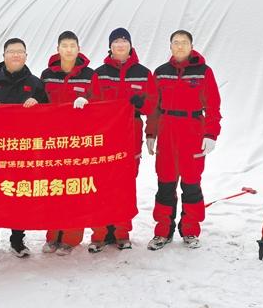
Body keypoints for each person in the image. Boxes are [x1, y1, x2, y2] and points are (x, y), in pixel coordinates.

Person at [0, 37, 48, 264]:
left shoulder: (35, 83)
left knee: (19, 193)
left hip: (23, 150)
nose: (16, 55)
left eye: (20, 51)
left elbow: (51, 116)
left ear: (26, 56)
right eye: (11, 51)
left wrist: (38, 104)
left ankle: (17, 240)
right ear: (3, 55)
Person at [145, 30, 222, 250]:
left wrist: (210, 134)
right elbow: (153, 107)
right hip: (167, 132)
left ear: (191, 46)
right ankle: (162, 232)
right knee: (165, 184)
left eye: (184, 43)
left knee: (191, 184)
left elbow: (213, 106)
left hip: (192, 133)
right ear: (170, 46)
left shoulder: (203, 72)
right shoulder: (161, 73)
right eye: (176, 43)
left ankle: (190, 230)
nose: (179, 46)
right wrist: (151, 133)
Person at [89, 27, 156, 252]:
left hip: (131, 134)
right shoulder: (99, 74)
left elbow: (152, 105)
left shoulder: (143, 73)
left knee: (125, 184)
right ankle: (99, 233)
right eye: (116, 41)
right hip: (105, 136)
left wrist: (148, 128)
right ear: (110, 46)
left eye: (124, 41)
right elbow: (92, 105)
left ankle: (121, 232)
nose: (120, 45)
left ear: (130, 45)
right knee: (101, 182)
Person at [39, 30, 99, 255]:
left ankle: (71, 238)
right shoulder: (47, 74)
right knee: (54, 189)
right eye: (64, 45)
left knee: (74, 188)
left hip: (77, 142)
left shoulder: (89, 75)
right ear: (58, 49)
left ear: (78, 49)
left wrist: (88, 101)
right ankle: (53, 235)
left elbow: (100, 102)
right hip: (52, 141)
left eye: (73, 45)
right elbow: (40, 103)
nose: (68, 49)